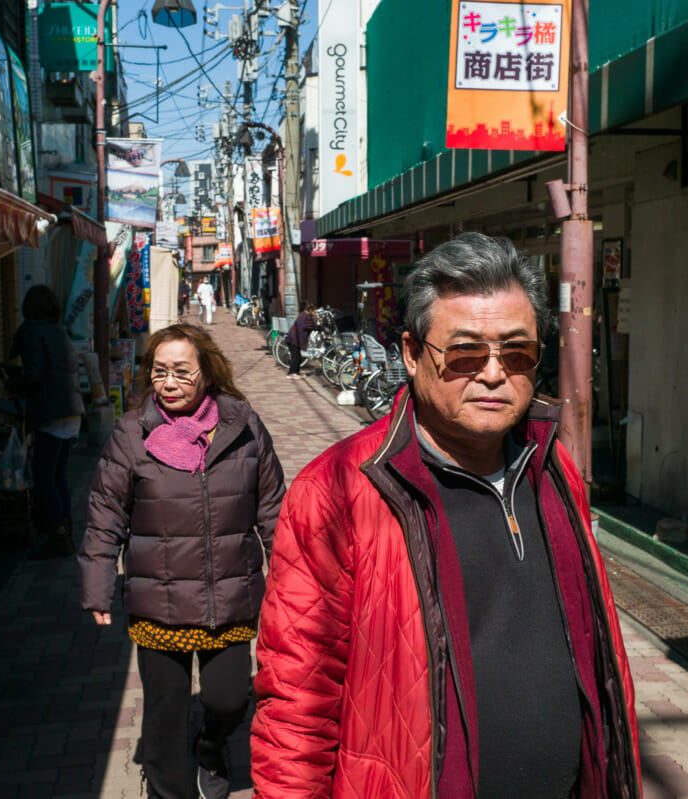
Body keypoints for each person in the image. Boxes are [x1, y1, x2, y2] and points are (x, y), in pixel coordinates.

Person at [250, 233, 641, 798]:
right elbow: (297, 702)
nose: (492, 374)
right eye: (463, 353)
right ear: (411, 353)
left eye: (516, 353)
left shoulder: (553, 466)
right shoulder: (339, 490)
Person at [79, 323, 285, 799]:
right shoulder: (132, 434)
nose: (168, 384)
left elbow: (274, 508)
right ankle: (169, 789)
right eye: (159, 372)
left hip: (229, 594)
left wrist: (289, 577)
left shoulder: (244, 427)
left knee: (230, 698)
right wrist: (96, 584)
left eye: (180, 373)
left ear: (208, 375)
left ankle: (212, 748)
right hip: (159, 600)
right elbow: (105, 515)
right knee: (165, 715)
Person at [6, 285, 85, 558]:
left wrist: (13, 383)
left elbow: (35, 376)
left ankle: (56, 539)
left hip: (52, 413)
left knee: (44, 479)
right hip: (71, 411)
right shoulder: (58, 330)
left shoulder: (32, 332)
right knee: (58, 477)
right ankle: (65, 536)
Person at [283, 301, 317, 379]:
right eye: (314, 310)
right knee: (295, 357)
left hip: (294, 338)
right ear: (311, 310)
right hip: (294, 339)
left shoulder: (303, 314)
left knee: (298, 356)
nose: (315, 312)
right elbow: (310, 326)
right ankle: (291, 373)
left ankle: (296, 372)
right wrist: (321, 328)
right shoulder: (307, 316)